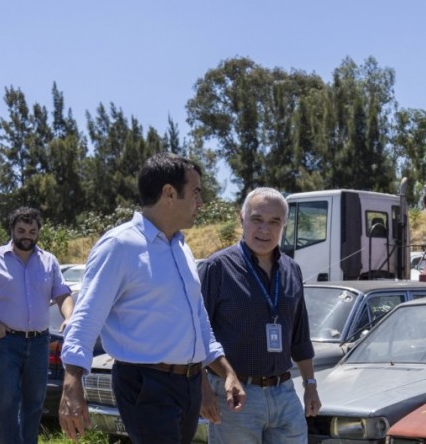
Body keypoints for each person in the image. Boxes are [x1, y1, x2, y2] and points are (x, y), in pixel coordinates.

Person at [58, 153, 246, 444]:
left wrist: (225, 371)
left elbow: (198, 318)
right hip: (147, 385)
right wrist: (71, 385)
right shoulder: (120, 245)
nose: (201, 203)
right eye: (195, 192)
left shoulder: (180, 247)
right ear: (169, 193)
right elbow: (86, 317)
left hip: (188, 386)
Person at [198, 187, 321, 444]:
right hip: (236, 395)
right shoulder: (217, 268)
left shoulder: (292, 270)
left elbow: (300, 336)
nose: (264, 230)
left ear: (283, 226)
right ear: (242, 220)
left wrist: (310, 384)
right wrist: (203, 391)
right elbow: (194, 336)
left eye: (274, 222)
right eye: (257, 220)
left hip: (285, 393)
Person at [0, 207, 74, 444]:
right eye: (21, 230)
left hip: (41, 341)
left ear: (38, 231)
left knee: (35, 402)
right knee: (6, 400)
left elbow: (62, 294)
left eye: (32, 230)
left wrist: (69, 316)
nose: (27, 235)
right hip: (6, 342)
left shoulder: (48, 260)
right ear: (12, 229)